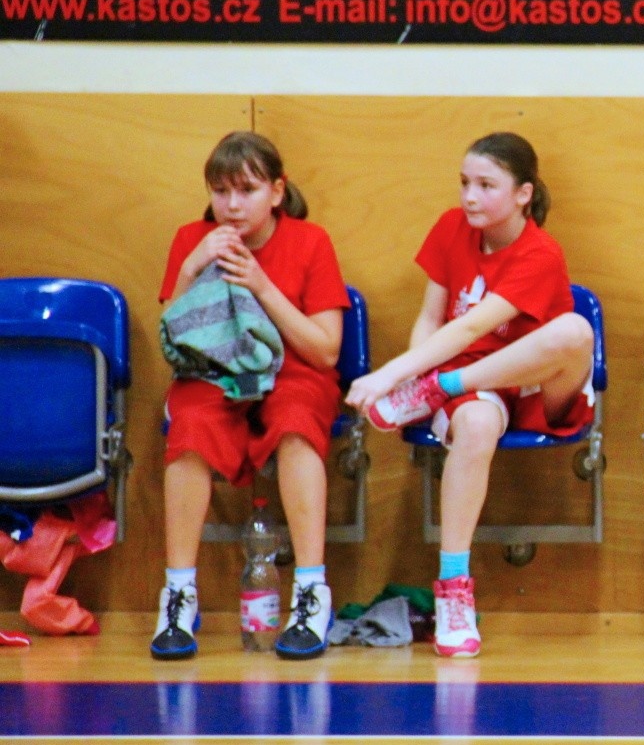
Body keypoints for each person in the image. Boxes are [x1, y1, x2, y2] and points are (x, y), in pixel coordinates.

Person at [345, 132, 594, 659]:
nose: (470, 196)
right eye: (464, 183)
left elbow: (470, 327)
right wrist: (417, 368)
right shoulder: (451, 227)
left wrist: (390, 376)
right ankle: (454, 589)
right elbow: (432, 320)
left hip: (535, 384)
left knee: (574, 330)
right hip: (476, 389)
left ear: (524, 194)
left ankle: (436, 389)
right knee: (477, 425)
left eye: (486, 185)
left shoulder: (541, 253)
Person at [152, 131, 350, 662]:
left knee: (295, 424)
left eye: (246, 190)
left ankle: (310, 593)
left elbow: (326, 350)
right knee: (190, 427)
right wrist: (191, 267)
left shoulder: (311, 242)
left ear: (277, 191)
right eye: (221, 191)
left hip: (294, 372)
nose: (232, 205)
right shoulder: (192, 238)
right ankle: (178, 595)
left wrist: (262, 285)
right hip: (215, 374)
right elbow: (175, 338)